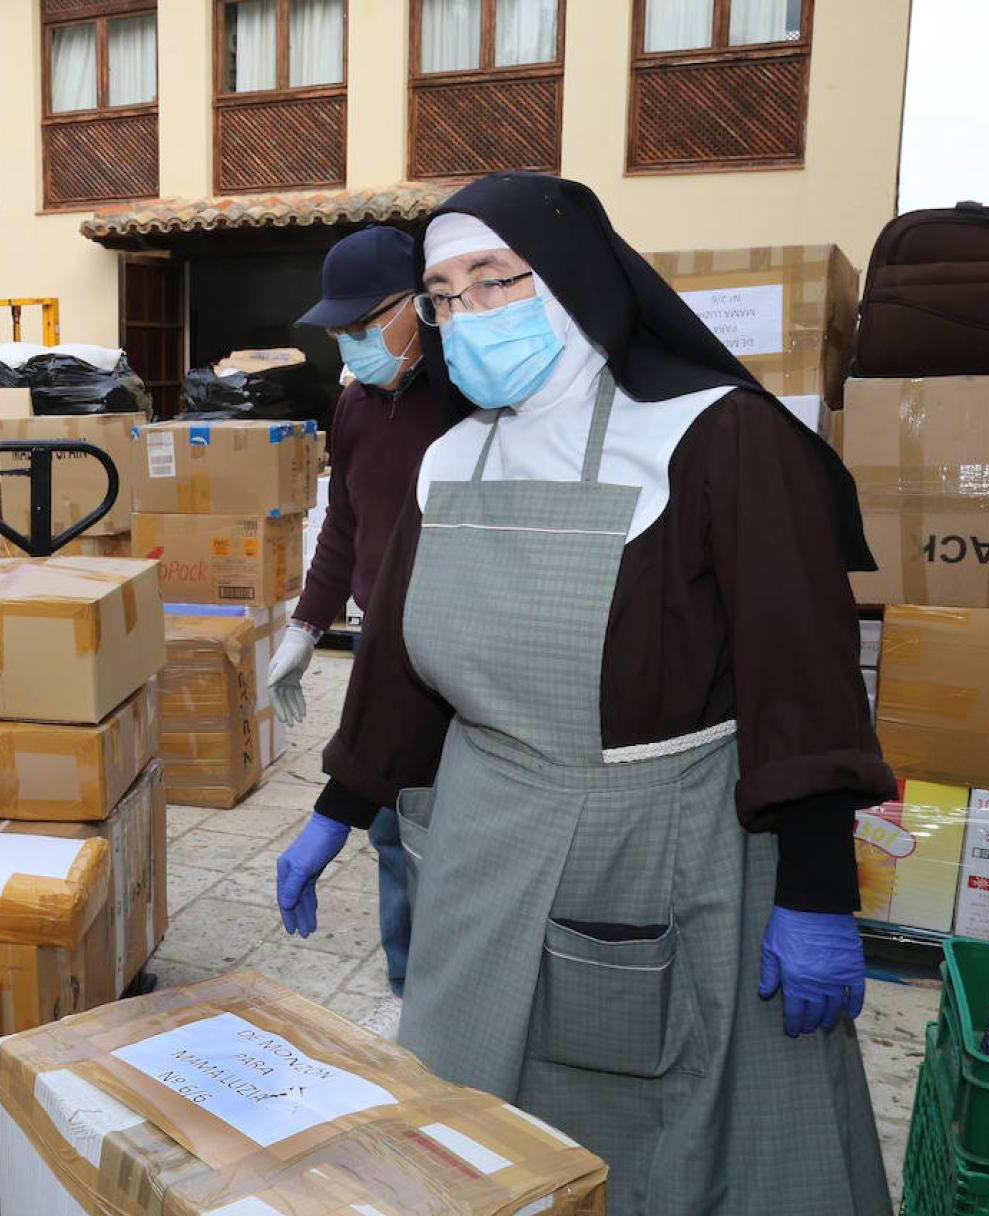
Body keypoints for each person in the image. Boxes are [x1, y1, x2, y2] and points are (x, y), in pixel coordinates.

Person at [272, 173, 891, 1216]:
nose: (467, 316)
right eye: (444, 294)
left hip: (657, 853)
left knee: (667, 1132)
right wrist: (339, 808)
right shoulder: (452, 456)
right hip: (481, 852)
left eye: (492, 281)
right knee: (474, 1129)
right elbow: (402, 673)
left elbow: (803, 669)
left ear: (568, 280)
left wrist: (818, 887)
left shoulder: (712, 438)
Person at [265, 226, 454, 998]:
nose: (351, 344)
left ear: (423, 305)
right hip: (383, 644)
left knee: (446, 830)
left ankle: (454, 988)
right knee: (390, 828)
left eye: (364, 323)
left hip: (453, 644)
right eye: (339, 330)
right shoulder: (353, 404)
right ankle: (408, 982)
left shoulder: (469, 399)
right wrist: (307, 625)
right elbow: (344, 520)